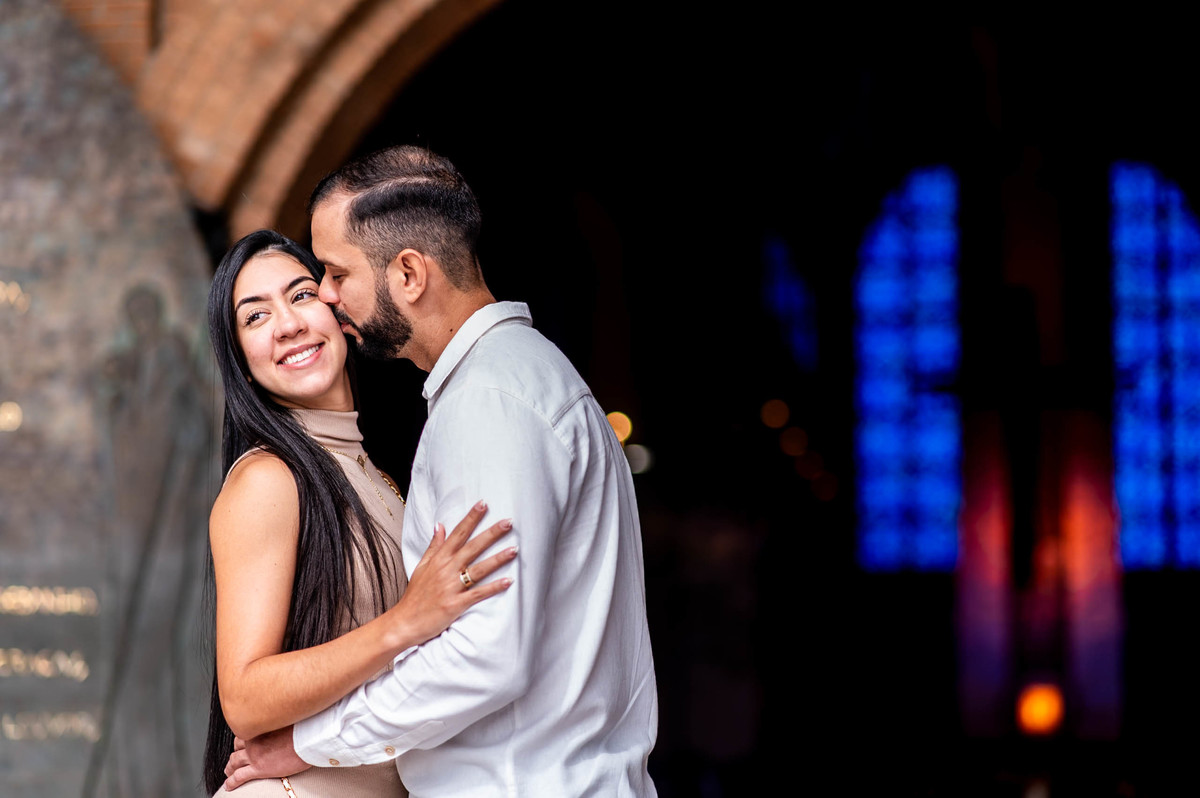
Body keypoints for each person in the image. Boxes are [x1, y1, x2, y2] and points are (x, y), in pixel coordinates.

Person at [223, 146, 658, 796]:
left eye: (332, 276)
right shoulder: (515, 380)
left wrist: (310, 743)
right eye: (255, 314)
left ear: (408, 274)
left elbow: (487, 651)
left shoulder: (488, 403)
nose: (328, 297)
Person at [203, 229, 517, 797]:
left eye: (300, 295)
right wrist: (404, 622)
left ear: (335, 306)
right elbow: (244, 699)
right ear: (242, 364)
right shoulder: (268, 479)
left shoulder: (375, 475)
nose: (289, 324)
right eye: (255, 317)